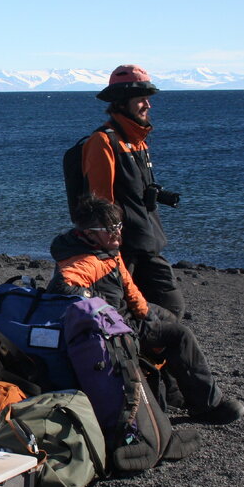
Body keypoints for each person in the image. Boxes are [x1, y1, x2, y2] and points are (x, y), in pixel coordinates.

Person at [46, 195, 244, 424]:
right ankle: (208, 407)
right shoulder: (85, 261)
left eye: (119, 226)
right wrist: (98, 301)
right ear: (89, 233)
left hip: (122, 313)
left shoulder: (105, 248)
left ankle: (171, 391)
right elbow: (60, 288)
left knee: (167, 317)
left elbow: (129, 287)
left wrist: (147, 314)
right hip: (112, 327)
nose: (118, 233)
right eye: (110, 229)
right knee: (180, 336)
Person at [83, 64, 185, 318]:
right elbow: (101, 202)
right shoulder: (103, 142)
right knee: (141, 313)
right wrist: (111, 253)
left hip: (147, 245)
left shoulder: (137, 141)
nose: (148, 106)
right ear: (120, 102)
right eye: (141, 100)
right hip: (124, 251)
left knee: (165, 311)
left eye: (148, 99)